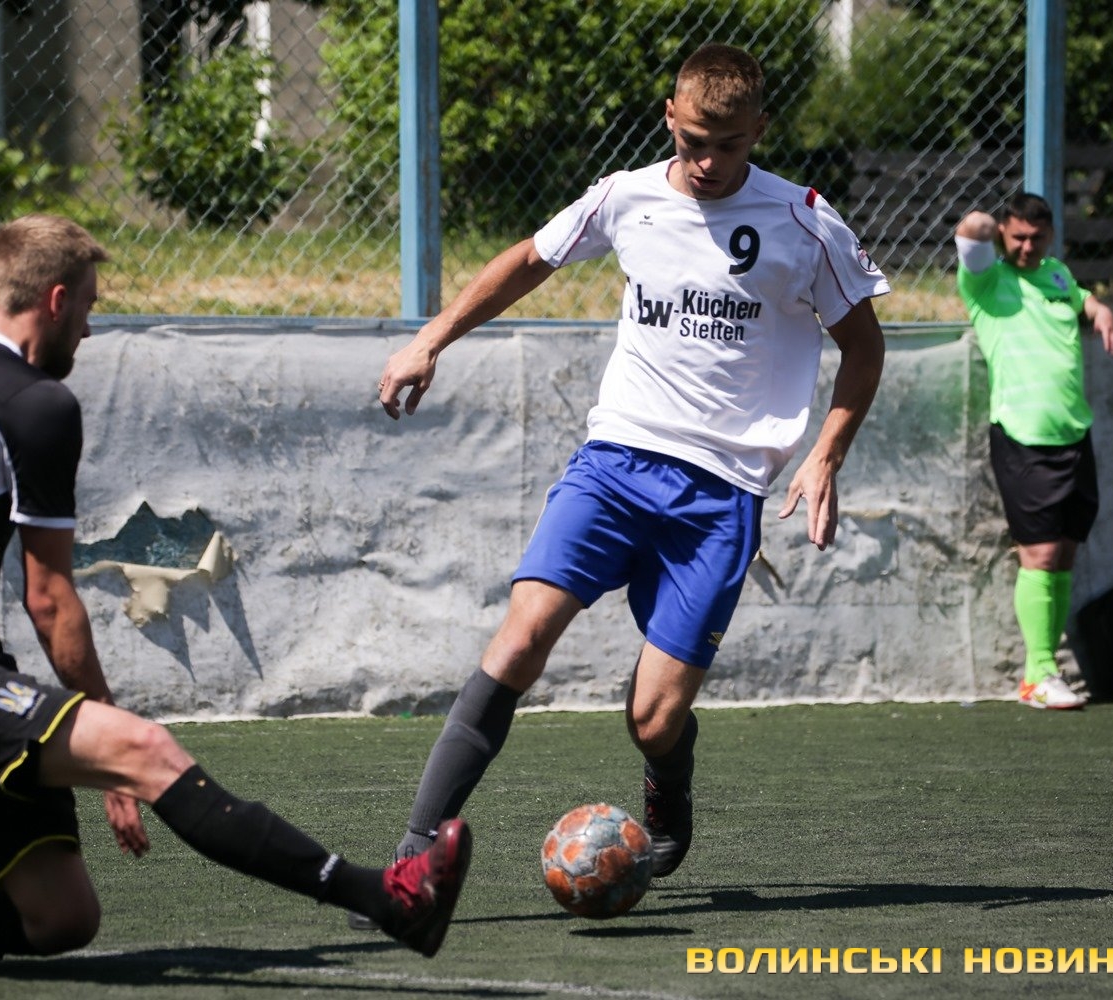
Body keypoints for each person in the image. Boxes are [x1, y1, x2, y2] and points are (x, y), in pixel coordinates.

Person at [0, 214, 470, 968]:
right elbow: (49, 598)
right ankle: (391, 899)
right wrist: (98, 742)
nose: (88, 328)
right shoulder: (33, 403)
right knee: (145, 748)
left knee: (59, 917)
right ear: (55, 300)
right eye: (87, 306)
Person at [358, 41, 887, 918]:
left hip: (720, 495)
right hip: (616, 463)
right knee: (520, 641)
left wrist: (827, 451)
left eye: (728, 145)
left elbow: (863, 346)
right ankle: (411, 865)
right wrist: (430, 339)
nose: (707, 162)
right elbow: (530, 259)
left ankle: (667, 779)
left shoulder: (805, 223)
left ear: (760, 129)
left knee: (653, 718)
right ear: (669, 119)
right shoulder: (626, 195)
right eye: (692, 142)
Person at [954, 194, 1113, 710]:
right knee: (1041, 555)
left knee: (1065, 553)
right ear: (1005, 233)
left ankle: (1049, 670)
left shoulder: (1057, 274)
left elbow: (1079, 296)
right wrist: (987, 226)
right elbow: (970, 232)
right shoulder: (986, 280)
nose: (1027, 247)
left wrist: (1097, 307)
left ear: (1051, 237)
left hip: (1075, 434)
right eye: (1018, 237)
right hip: (1022, 437)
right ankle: (1037, 674)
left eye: (1037, 238)